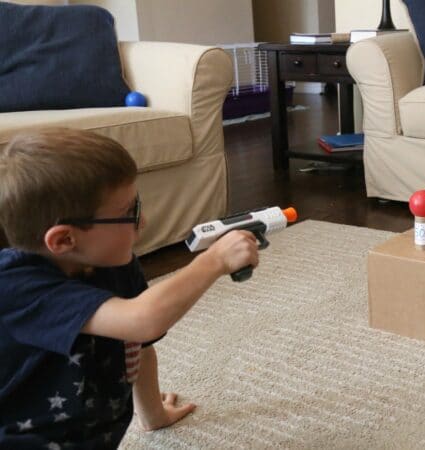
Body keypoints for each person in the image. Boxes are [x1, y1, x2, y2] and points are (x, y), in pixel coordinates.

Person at [0, 128, 259, 449]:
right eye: (129, 213)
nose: (143, 221)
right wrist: (214, 260)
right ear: (65, 239)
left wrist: (153, 416)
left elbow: (138, 344)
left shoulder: (117, 267)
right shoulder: (17, 287)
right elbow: (142, 319)